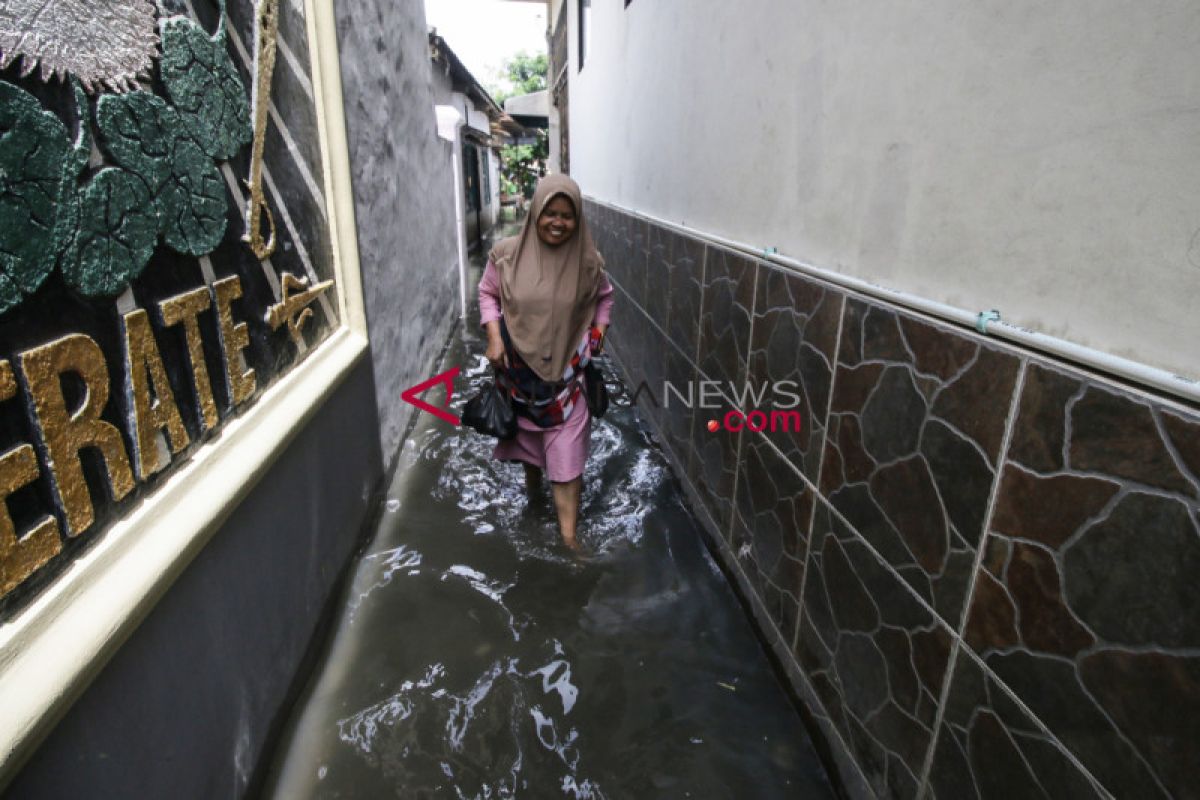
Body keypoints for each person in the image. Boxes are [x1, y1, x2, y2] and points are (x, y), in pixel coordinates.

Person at [478, 175, 614, 550]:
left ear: (578, 219)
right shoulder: (505, 255)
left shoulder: (589, 264)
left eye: (567, 216)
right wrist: (493, 336)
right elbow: (487, 293)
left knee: (567, 463)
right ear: (535, 212)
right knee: (531, 446)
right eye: (549, 213)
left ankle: (570, 540)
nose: (557, 222)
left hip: (568, 380)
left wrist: (599, 333)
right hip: (519, 375)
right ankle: (533, 493)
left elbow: (605, 298)